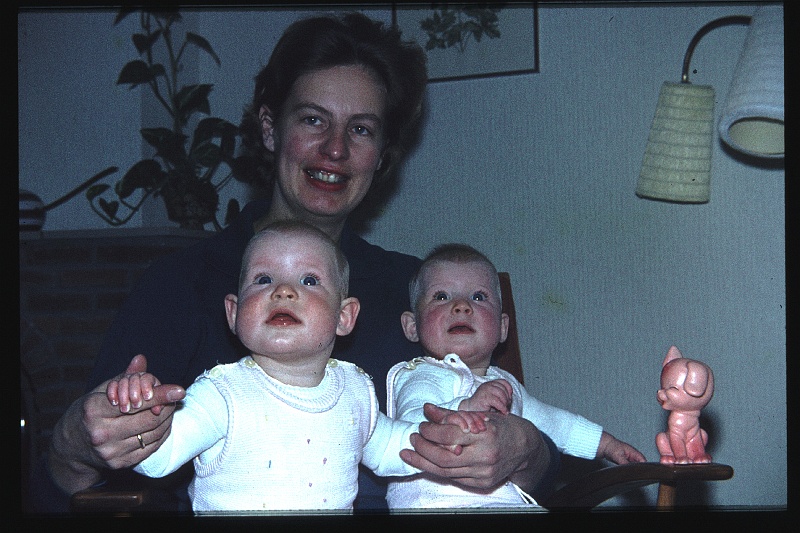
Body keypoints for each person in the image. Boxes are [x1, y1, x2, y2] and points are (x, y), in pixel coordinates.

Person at [32, 12, 559, 513]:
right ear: (269, 127)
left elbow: (547, 459)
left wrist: (524, 451)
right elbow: (65, 479)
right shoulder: (179, 284)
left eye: (361, 129)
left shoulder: (424, 291)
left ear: (382, 155)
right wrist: (78, 441)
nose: (334, 149)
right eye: (313, 119)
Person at [106, 222, 421, 511]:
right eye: (263, 279)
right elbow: (158, 461)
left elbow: (391, 450)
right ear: (233, 312)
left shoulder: (355, 390)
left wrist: (448, 434)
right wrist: (139, 415)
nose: (283, 291)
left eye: (309, 280)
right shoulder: (221, 395)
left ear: (344, 317)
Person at [385, 244, 646, 509]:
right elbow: (412, 423)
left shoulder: (506, 385)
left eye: (478, 296)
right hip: (432, 504)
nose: (461, 306)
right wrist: (466, 407)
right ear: (412, 326)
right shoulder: (419, 374)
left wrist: (606, 445)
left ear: (502, 328)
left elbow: (556, 423)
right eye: (441, 296)